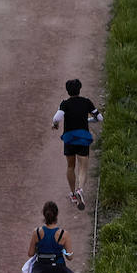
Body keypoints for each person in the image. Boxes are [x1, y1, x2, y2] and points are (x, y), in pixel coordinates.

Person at [51, 77, 101, 209]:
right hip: (83, 138)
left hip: (69, 138)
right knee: (83, 167)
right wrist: (87, 120)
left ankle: (73, 194)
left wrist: (55, 125)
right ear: (80, 89)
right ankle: (80, 189)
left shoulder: (64, 103)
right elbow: (99, 118)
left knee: (70, 166)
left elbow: (57, 118)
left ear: (68, 91)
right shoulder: (86, 102)